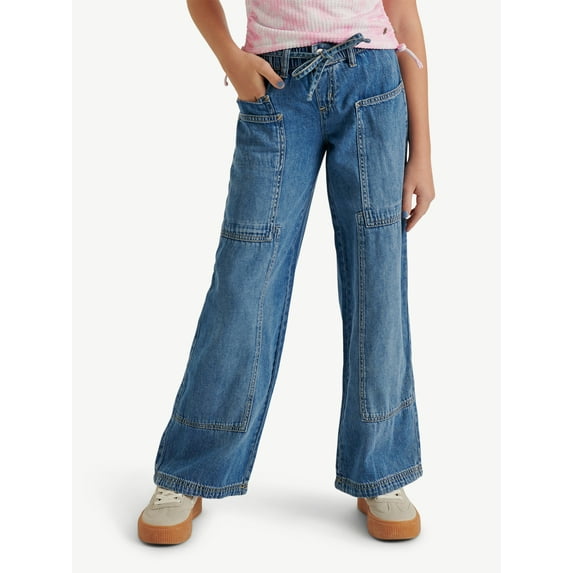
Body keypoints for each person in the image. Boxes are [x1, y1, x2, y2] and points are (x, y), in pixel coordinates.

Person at [138, 0, 435, 545]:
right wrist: (231, 60)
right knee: (244, 279)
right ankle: (191, 468)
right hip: (274, 87)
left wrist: (424, 152)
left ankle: (381, 466)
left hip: (372, 87)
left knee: (378, 280)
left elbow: (405, 17)